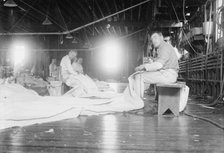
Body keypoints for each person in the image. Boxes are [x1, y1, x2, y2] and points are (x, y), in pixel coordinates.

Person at [133, 30, 179, 98]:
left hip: (168, 75)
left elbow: (158, 65)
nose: (153, 40)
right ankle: (138, 97)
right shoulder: (162, 48)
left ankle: (137, 101)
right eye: (152, 39)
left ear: (161, 37)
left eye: (155, 37)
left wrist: (143, 66)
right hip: (167, 74)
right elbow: (160, 63)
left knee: (139, 76)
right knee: (142, 75)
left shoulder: (164, 47)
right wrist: (152, 62)